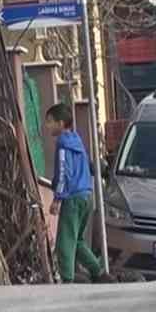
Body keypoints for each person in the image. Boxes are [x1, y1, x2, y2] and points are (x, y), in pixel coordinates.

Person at [45, 103, 112, 284]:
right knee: (78, 241)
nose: (47, 126)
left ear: (60, 123)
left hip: (72, 198)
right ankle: (98, 272)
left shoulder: (63, 143)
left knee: (64, 242)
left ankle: (67, 281)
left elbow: (64, 171)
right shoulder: (77, 140)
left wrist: (57, 198)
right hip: (87, 195)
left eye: (50, 122)